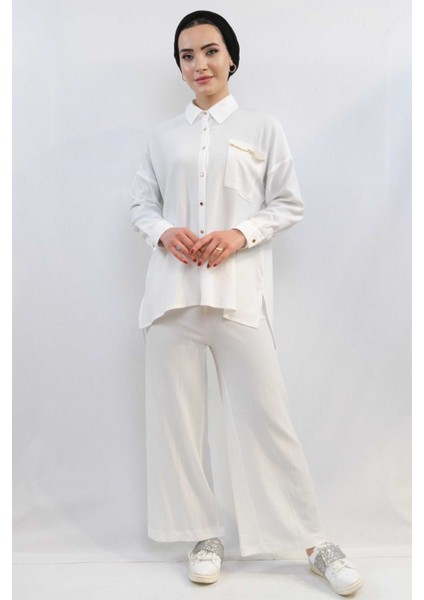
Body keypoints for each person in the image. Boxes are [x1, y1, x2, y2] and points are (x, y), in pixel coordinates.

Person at [130, 10, 363, 596]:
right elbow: (141, 205)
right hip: (172, 300)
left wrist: (240, 234)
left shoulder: (262, 127)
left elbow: (287, 203)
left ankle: (313, 541)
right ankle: (202, 534)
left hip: (238, 297)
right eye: (186, 55)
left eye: (209, 51)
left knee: (268, 419)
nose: (198, 64)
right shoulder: (161, 137)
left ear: (231, 56)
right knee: (179, 426)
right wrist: (163, 231)